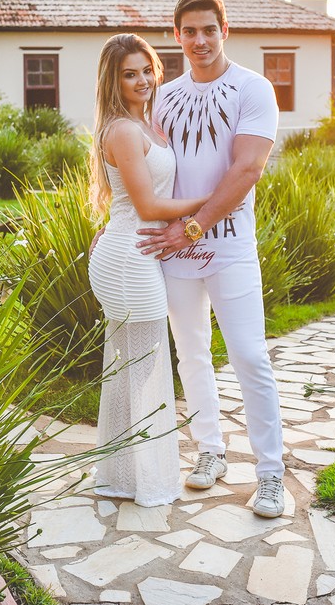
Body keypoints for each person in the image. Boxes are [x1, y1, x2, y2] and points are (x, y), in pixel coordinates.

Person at [137, 0, 286, 518]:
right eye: (190, 31)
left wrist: (193, 228)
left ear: (226, 30)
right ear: (176, 36)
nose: (200, 41)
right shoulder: (162, 97)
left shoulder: (254, 88)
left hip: (227, 248)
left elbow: (247, 169)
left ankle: (271, 475)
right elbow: (144, 168)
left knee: (249, 355)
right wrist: (114, 225)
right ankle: (211, 451)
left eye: (209, 30)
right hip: (173, 249)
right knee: (191, 353)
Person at [87, 33, 210, 507]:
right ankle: (139, 478)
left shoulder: (147, 123)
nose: (141, 81)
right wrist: (211, 200)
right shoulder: (122, 129)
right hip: (127, 257)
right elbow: (147, 204)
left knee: (133, 368)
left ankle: (124, 474)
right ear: (112, 81)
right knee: (145, 366)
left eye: (146, 70)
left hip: (131, 250)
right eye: (129, 74)